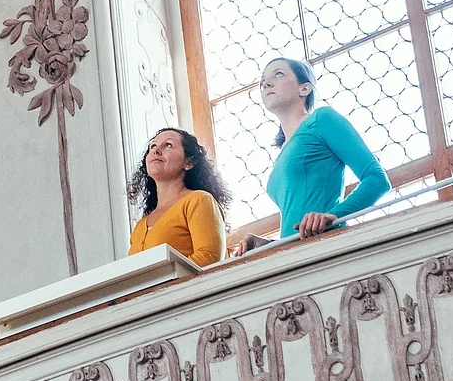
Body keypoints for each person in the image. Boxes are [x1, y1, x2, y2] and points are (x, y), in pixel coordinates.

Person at [227, 57, 389, 257]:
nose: (266, 83)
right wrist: (267, 245)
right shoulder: (283, 154)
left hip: (328, 250)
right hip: (295, 258)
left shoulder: (322, 120)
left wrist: (333, 215)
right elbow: (299, 230)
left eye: (278, 74)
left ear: (305, 88)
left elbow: (377, 180)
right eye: (263, 81)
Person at [127, 128, 227, 266]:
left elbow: (209, 257)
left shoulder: (199, 200)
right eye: (153, 146)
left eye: (168, 145)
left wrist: (165, 277)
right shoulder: (140, 225)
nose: (156, 151)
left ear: (189, 162)